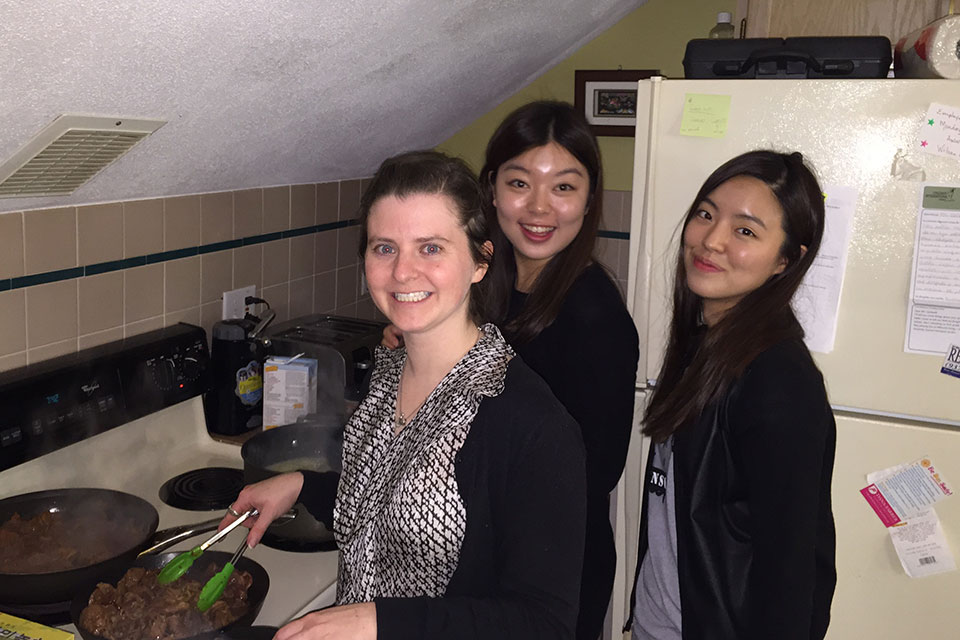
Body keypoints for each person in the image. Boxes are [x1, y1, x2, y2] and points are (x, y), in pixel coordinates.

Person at [223, 150, 587, 640]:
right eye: (384, 248)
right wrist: (302, 487)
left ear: (481, 261)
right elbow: (386, 514)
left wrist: (377, 621)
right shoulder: (389, 374)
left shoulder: (532, 426)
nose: (402, 272)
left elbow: (544, 624)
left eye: (431, 248)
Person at [384, 101, 639, 639]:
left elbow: (596, 475)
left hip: (541, 579)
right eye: (520, 183)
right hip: (462, 560)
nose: (540, 208)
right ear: (491, 189)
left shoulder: (596, 318)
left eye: (564, 187)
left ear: (589, 198)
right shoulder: (483, 285)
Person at [628, 150, 837, 640]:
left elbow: (792, 568)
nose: (711, 240)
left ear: (786, 260)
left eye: (745, 231)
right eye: (705, 214)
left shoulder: (778, 380)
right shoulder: (707, 346)